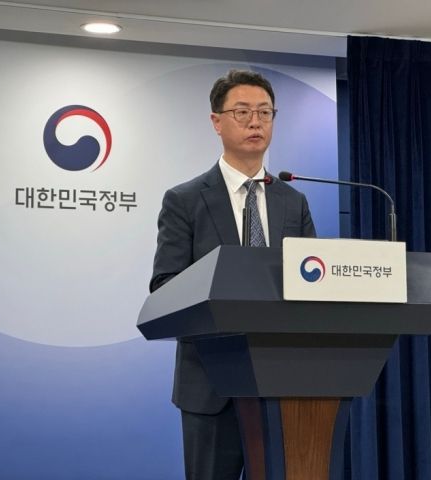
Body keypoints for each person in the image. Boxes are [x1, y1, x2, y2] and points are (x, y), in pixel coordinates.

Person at [149, 69, 316, 480]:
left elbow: (312, 285)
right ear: (216, 121)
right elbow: (165, 287)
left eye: (264, 112)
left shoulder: (293, 201)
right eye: (242, 112)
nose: (255, 122)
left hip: (282, 384)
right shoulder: (185, 200)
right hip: (211, 385)